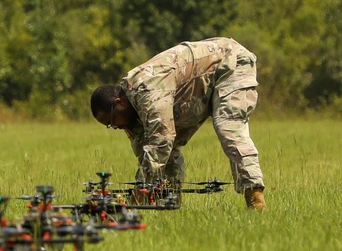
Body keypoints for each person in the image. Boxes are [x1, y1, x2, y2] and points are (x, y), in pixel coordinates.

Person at [90, 37, 266, 210]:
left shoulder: (147, 90)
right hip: (204, 81)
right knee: (164, 150)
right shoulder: (131, 110)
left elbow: (161, 141)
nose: (116, 127)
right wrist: (143, 191)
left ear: (119, 102)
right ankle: (171, 204)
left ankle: (256, 200)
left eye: (112, 121)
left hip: (231, 62)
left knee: (228, 126)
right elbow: (146, 151)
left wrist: (140, 189)